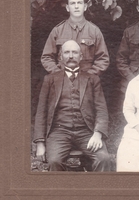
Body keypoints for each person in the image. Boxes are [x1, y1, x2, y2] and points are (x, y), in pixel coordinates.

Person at [33, 40, 110, 171]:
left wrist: (97, 133)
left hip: (86, 132)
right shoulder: (50, 79)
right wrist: (40, 142)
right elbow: (41, 112)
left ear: (81, 56)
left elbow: (101, 109)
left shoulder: (92, 79)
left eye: (74, 52)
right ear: (60, 57)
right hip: (59, 132)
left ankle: (98, 190)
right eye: (66, 52)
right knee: (54, 162)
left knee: (104, 159)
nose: (70, 56)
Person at [41, 0, 109, 75]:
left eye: (79, 3)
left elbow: (103, 59)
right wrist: (59, 74)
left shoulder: (94, 31)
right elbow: (46, 57)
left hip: (87, 82)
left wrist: (89, 76)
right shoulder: (58, 30)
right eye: (73, 3)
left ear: (85, 7)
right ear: (67, 8)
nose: (76, 6)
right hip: (62, 82)